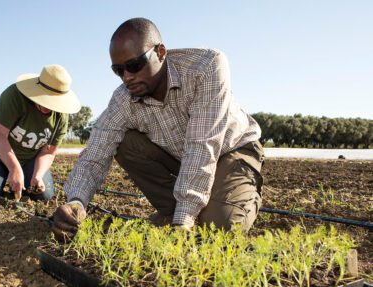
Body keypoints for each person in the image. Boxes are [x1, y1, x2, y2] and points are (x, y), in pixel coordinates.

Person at [52, 18, 264, 240]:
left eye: (134, 65)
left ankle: (237, 197)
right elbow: (95, 153)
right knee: (124, 143)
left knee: (219, 228)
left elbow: (203, 147)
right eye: (118, 70)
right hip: (182, 160)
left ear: (160, 52)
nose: (127, 77)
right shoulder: (123, 98)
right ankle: (175, 211)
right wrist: (75, 202)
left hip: (231, 151)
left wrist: (183, 223)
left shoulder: (205, 67)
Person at [0, 64, 80, 202]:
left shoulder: (61, 117)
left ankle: (11, 177)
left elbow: (48, 151)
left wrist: (38, 175)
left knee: (43, 195)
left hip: (28, 159)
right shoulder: (15, 97)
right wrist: (14, 168)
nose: (48, 105)